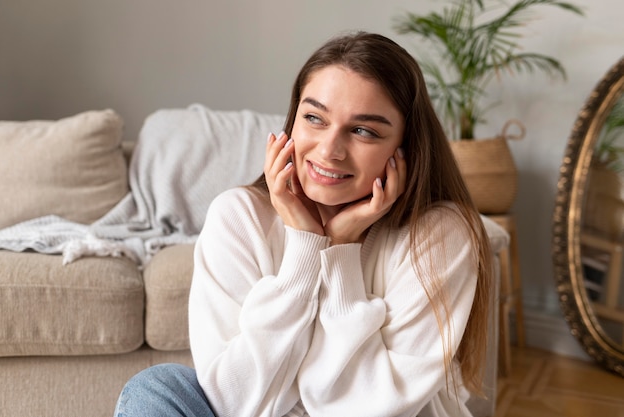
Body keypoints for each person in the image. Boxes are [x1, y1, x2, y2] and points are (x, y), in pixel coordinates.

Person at [113, 31, 494, 417]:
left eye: (364, 130)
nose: (329, 150)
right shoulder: (238, 217)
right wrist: (306, 248)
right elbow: (230, 404)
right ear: (292, 122)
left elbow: (365, 409)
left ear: (406, 148)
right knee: (155, 388)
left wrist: (342, 248)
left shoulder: (439, 234)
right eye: (314, 118)